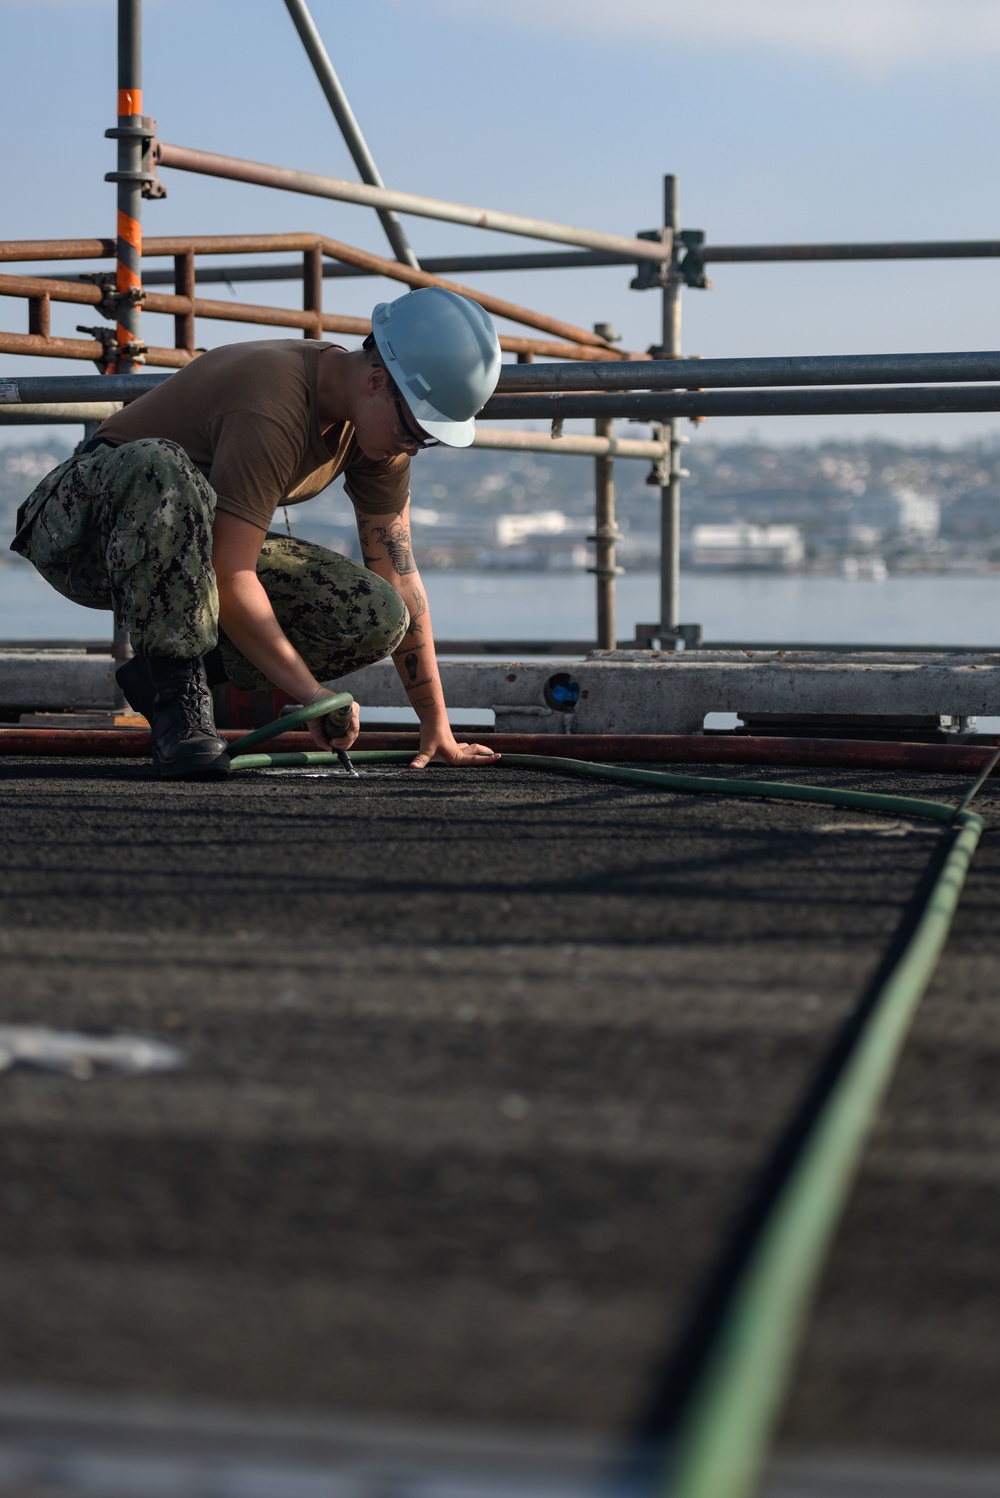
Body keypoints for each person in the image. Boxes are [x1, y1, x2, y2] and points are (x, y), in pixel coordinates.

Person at [10, 287, 503, 778]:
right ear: (377, 381)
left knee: (374, 614)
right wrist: (313, 693)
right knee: (163, 464)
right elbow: (231, 572)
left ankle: (166, 673)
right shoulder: (273, 403)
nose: (417, 448)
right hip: (86, 533)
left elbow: (400, 575)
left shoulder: (381, 434)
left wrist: (436, 726)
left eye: (431, 439)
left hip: (188, 553)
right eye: (418, 431)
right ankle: (177, 700)